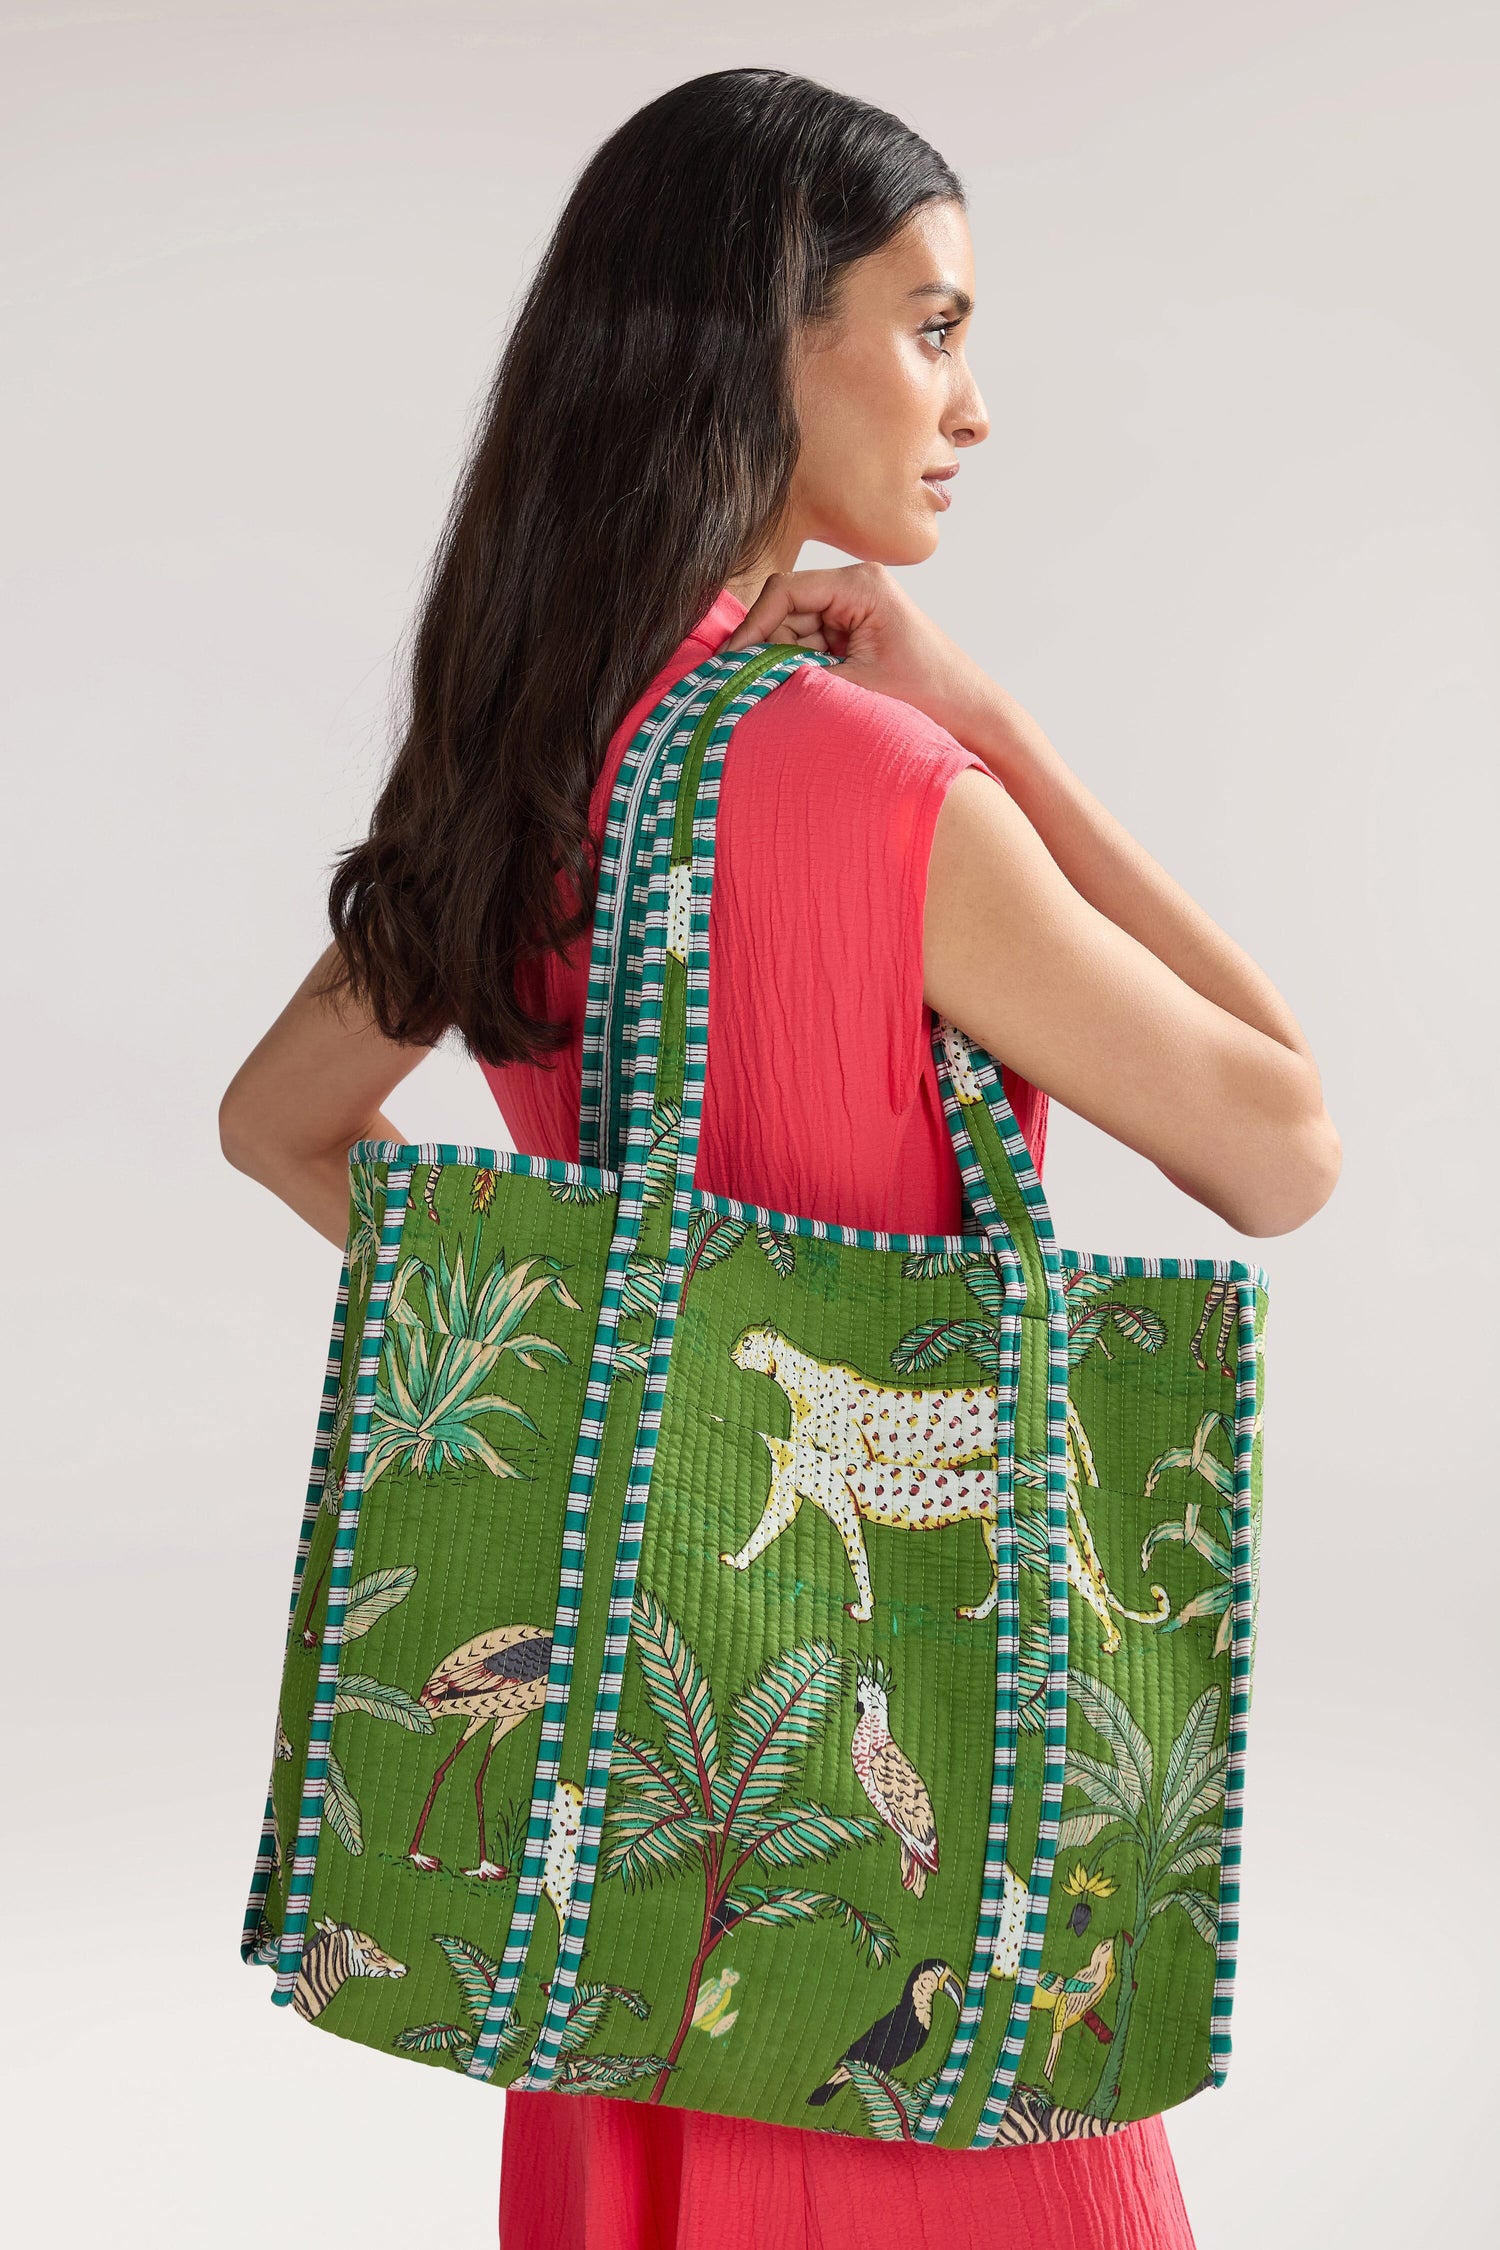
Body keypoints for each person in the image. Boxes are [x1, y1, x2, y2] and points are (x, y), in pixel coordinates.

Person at [220, 67, 1340, 2250]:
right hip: (905, 1826)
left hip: (639, 1852)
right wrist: (999, 729)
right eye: (929, 323)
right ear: (762, 336)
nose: (973, 403)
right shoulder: (883, 787)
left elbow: (278, 1127)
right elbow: (1280, 1142)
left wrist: (573, 1372)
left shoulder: (525, 764)